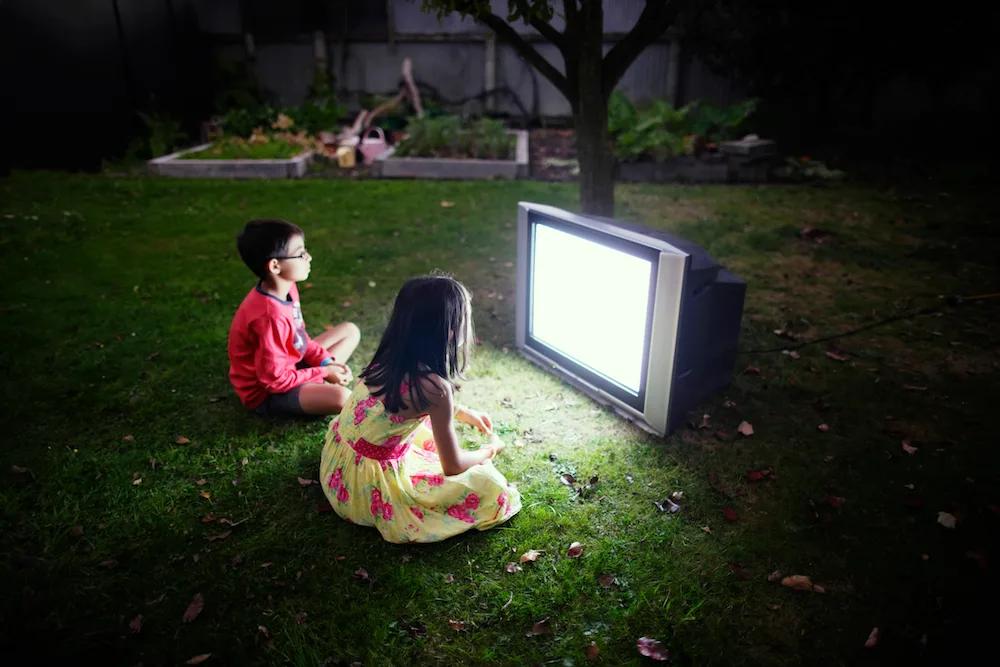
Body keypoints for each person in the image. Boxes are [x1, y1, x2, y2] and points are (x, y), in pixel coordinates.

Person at [319, 274, 521, 543]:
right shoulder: (435, 389)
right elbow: (453, 466)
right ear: (450, 331)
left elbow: (404, 400)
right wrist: (489, 450)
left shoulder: (390, 355)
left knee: (424, 432)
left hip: (339, 467)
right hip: (368, 489)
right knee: (491, 486)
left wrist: (461, 412)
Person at [228, 218, 360, 417]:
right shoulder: (268, 317)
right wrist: (323, 372)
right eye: (300, 254)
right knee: (343, 398)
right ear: (275, 266)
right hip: (268, 393)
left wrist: (325, 362)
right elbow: (274, 381)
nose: (309, 257)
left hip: (289, 364)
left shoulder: (287, 287)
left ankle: (316, 386)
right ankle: (317, 387)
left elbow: (300, 337)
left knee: (350, 331)